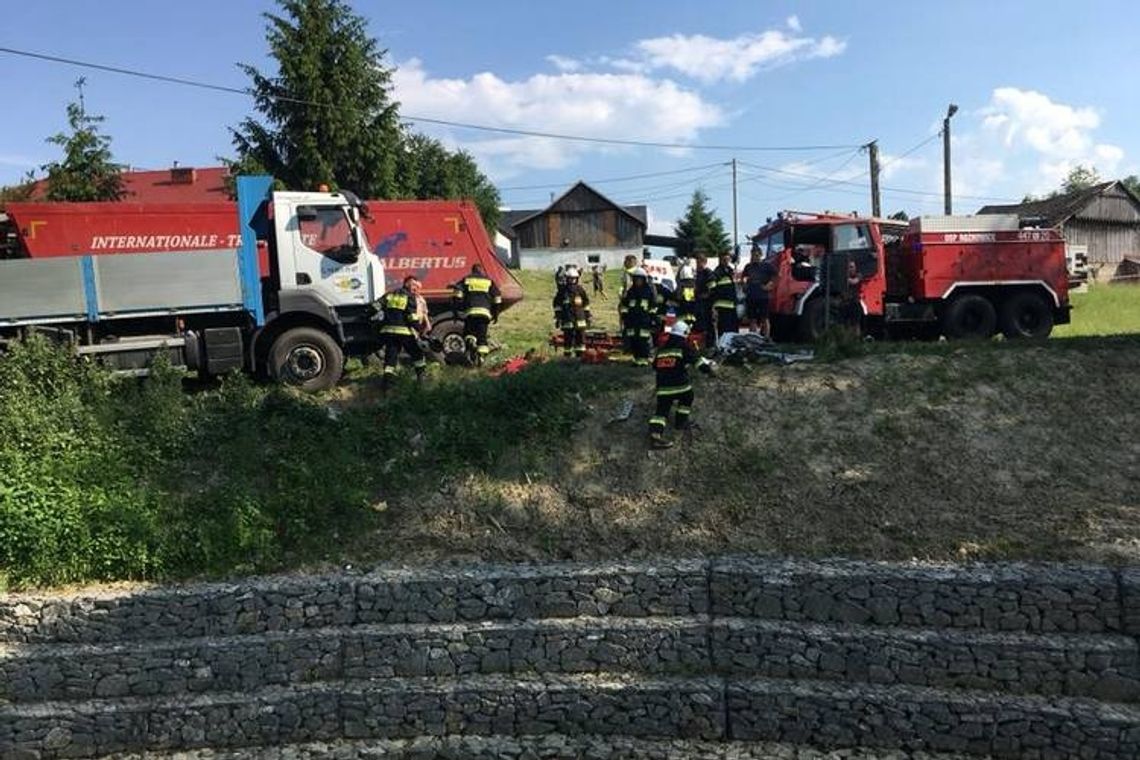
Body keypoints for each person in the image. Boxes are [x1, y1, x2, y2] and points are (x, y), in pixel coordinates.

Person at [648, 319, 713, 449]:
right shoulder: (683, 346)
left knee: (662, 410)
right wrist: (709, 371)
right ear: (684, 333)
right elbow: (697, 362)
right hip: (680, 385)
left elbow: (655, 366)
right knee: (688, 397)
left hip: (663, 388)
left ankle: (655, 435)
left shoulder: (662, 349)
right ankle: (680, 422)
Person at [373, 276, 427, 391]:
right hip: (404, 332)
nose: (415, 289)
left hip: (389, 332)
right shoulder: (409, 297)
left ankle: (387, 385)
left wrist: (366, 316)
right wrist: (420, 329)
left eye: (417, 287)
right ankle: (422, 379)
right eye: (414, 286)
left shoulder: (389, 294)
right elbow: (411, 317)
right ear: (407, 284)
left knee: (390, 358)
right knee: (417, 354)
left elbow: (375, 306)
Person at [452, 263, 502, 366]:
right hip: (484, 314)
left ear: (472, 270)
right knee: (482, 337)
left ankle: (471, 342)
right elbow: (497, 298)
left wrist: (457, 310)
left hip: (471, 312)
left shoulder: (466, 279)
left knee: (468, 333)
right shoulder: (488, 281)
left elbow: (457, 294)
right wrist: (496, 314)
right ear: (481, 271)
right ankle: (481, 357)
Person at [619, 267, 659, 367]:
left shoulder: (648, 291)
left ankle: (644, 360)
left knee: (643, 341)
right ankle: (637, 359)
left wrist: (652, 318)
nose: (638, 281)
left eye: (640, 279)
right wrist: (624, 315)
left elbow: (653, 306)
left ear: (644, 279)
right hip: (632, 320)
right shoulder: (631, 292)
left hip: (644, 320)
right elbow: (624, 305)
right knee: (634, 340)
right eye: (636, 279)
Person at [552, 266, 591, 357]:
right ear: (567, 278)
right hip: (567, 318)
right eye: (570, 278)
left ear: (577, 279)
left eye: (574, 278)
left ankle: (580, 355)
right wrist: (558, 317)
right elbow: (557, 304)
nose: (572, 280)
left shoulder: (580, 290)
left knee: (580, 338)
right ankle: (567, 355)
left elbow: (586, 303)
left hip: (580, 318)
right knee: (568, 338)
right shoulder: (562, 291)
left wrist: (587, 316)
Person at [741, 250, 774, 338]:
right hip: (751, 296)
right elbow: (744, 277)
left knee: (765, 318)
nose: (754, 257)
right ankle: (753, 337)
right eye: (752, 255)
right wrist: (744, 284)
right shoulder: (748, 266)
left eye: (756, 255)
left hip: (763, 297)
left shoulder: (767, 266)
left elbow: (777, 276)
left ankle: (766, 338)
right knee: (752, 319)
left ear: (760, 255)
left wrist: (770, 285)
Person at [710, 252, 740, 338]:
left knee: (733, 328)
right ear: (720, 260)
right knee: (723, 328)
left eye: (728, 259)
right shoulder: (717, 272)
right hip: (722, 305)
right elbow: (713, 289)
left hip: (732, 304)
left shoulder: (730, 271)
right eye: (724, 259)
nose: (726, 261)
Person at [693, 253, 714, 345]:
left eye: (699, 262)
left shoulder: (708, 273)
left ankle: (709, 344)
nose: (697, 264)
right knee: (698, 324)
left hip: (706, 303)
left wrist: (707, 294)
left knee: (708, 324)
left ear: (704, 262)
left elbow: (712, 288)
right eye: (696, 262)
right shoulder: (695, 273)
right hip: (697, 302)